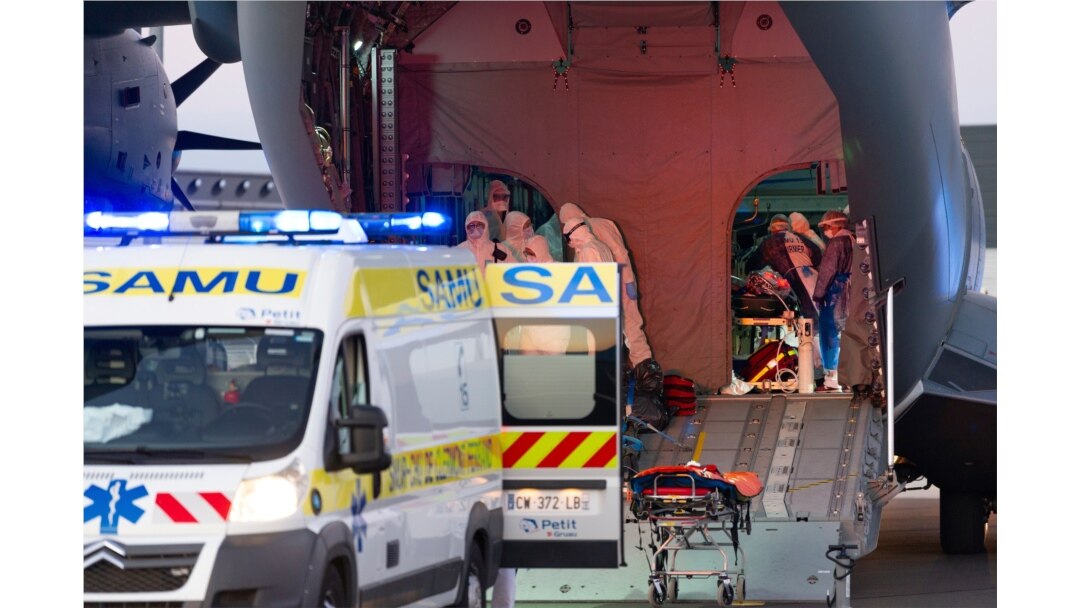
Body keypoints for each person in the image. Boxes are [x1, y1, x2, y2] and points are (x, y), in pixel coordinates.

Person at [558, 202, 654, 369]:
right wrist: (628, 282)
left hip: (611, 288)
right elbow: (620, 254)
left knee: (619, 330)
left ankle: (640, 369)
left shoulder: (584, 239)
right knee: (631, 326)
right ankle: (644, 367)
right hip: (621, 281)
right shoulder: (599, 227)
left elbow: (588, 274)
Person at [813, 209, 856, 391]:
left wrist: (818, 295)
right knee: (846, 334)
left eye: (826, 227)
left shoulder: (837, 242)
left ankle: (832, 378)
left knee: (829, 333)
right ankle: (848, 376)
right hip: (851, 293)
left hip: (834, 294)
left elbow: (827, 271)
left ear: (835, 225)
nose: (825, 231)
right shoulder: (853, 239)